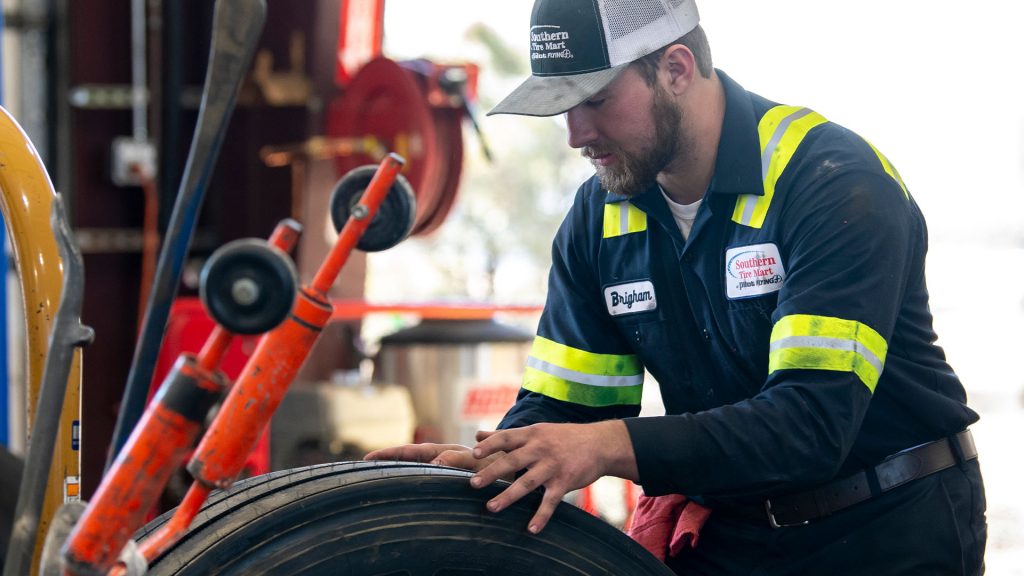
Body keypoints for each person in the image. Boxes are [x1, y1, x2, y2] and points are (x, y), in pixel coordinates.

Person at [366, 0, 988, 573]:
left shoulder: (832, 183)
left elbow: (810, 426)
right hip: (733, 538)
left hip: (889, 530)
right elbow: (569, 411)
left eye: (597, 99)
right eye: (563, 107)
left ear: (677, 68)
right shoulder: (598, 219)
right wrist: (490, 463)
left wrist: (606, 446)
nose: (576, 133)